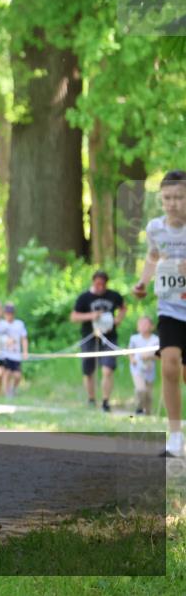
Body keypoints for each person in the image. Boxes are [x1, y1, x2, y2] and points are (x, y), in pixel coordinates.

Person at [132, 169, 186, 455]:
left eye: (179, 197)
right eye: (167, 198)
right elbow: (153, 256)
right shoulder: (155, 228)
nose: (173, 203)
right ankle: (175, 436)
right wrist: (143, 282)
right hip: (170, 307)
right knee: (169, 363)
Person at [71, 270, 127, 412]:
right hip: (89, 336)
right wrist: (91, 316)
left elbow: (123, 307)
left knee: (108, 369)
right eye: (97, 284)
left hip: (109, 337)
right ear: (93, 282)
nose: (100, 287)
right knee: (88, 370)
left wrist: (118, 319)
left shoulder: (113, 295)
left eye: (103, 284)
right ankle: (91, 399)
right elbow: (74, 317)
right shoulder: (84, 297)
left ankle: (106, 401)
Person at [128, 316, 160, 416]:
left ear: (152, 326)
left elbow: (159, 355)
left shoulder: (156, 340)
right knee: (140, 389)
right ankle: (139, 410)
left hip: (150, 369)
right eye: (141, 324)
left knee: (149, 394)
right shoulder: (134, 338)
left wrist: (149, 357)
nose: (143, 326)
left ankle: (148, 414)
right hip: (137, 368)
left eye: (146, 324)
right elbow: (130, 351)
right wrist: (132, 359)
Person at [2, 302, 29, 397]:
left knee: (18, 375)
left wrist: (25, 351)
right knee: (7, 373)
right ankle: (6, 393)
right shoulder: (1, 324)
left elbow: (24, 338)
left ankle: (13, 390)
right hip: (5, 354)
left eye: (11, 313)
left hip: (16, 354)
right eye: (7, 313)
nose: (9, 315)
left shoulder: (19, 324)